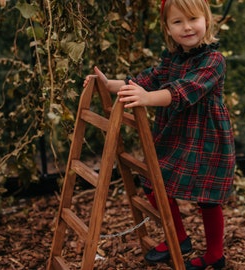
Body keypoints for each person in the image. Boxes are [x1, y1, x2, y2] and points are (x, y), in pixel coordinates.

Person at [84, 0, 235, 269]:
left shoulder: (214, 61)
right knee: (153, 180)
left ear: (207, 20)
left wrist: (146, 98)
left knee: (208, 199)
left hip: (207, 139)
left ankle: (215, 254)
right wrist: (109, 85)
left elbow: (184, 90)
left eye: (193, 19)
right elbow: (143, 81)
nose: (187, 27)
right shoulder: (172, 60)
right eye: (177, 22)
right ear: (167, 28)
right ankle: (179, 238)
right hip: (177, 135)